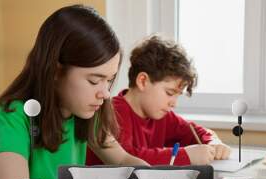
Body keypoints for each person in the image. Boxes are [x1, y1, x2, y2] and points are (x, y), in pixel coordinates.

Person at [0, 5, 147, 179]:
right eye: (94, 81)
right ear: (56, 71)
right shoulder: (12, 117)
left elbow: (123, 158)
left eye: (109, 80)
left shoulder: (86, 113)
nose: (105, 93)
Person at [86, 35, 231, 166]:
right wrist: (185, 156)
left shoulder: (162, 115)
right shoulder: (114, 112)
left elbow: (196, 131)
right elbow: (128, 158)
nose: (174, 103)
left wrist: (214, 143)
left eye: (178, 95)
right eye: (169, 93)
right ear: (143, 81)